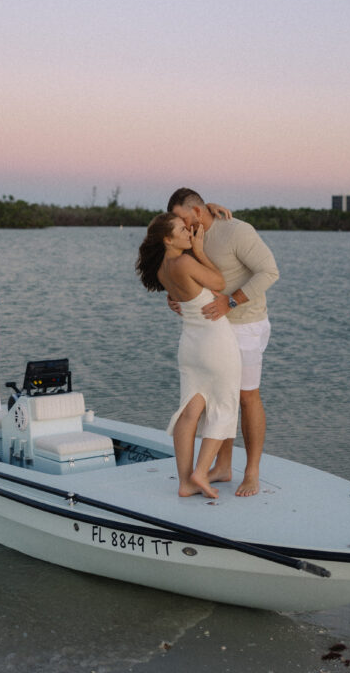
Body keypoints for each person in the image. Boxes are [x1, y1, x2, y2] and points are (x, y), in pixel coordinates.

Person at [167, 188, 279, 497]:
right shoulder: (192, 236)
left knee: (246, 397)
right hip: (212, 331)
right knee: (218, 397)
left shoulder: (237, 231)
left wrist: (232, 302)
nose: (181, 225)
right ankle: (222, 466)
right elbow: (185, 274)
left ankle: (252, 471)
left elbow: (269, 272)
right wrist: (175, 296)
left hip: (246, 324)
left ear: (198, 212)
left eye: (183, 219)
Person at [136, 213, 241, 499]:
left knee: (189, 412)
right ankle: (201, 471)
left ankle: (185, 482)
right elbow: (219, 282)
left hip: (191, 345)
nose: (188, 232)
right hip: (215, 341)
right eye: (182, 230)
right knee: (225, 405)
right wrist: (200, 252)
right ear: (167, 239)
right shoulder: (184, 261)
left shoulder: (162, 269)